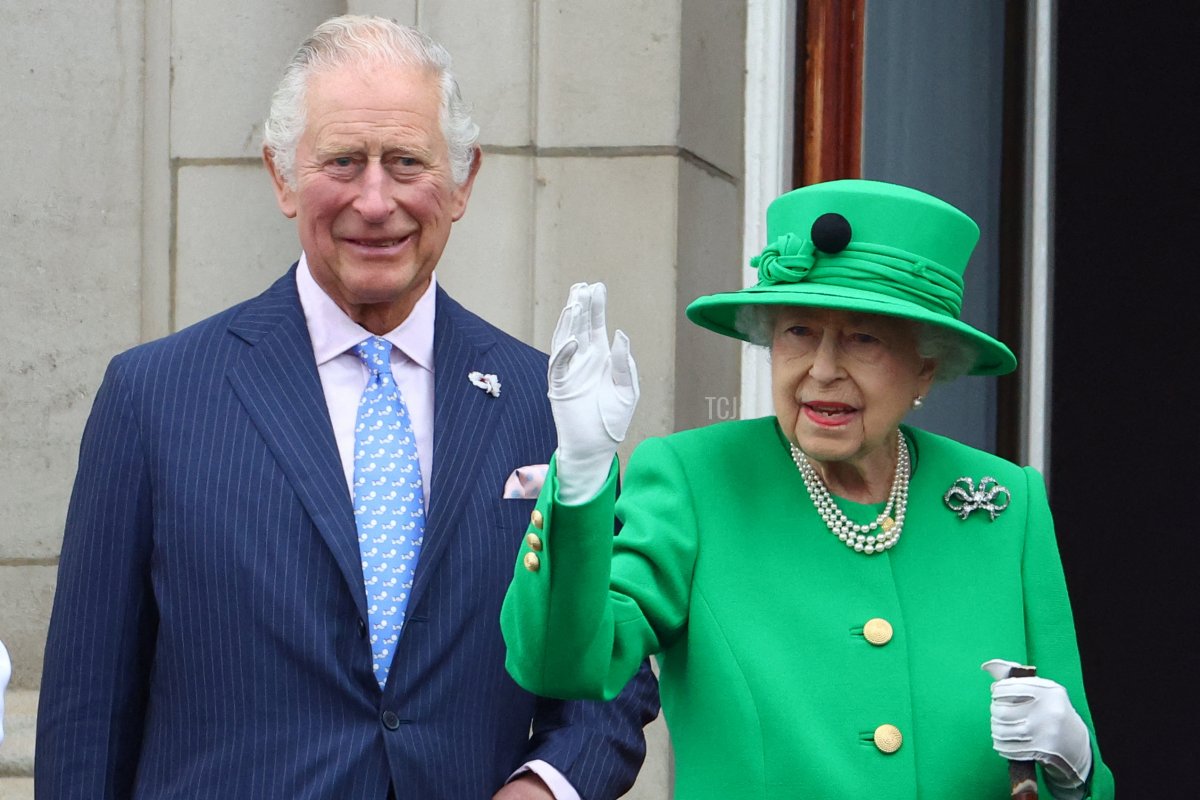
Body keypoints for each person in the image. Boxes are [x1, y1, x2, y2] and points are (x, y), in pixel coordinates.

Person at [36, 15, 657, 800]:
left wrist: (544, 787)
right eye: (342, 161)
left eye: (406, 162)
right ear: (282, 174)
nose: (375, 200)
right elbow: (87, 714)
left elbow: (610, 678)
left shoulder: (547, 407)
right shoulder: (153, 398)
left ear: (462, 182)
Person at [501, 179, 1114, 798]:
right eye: (798, 331)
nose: (822, 370)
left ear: (926, 365)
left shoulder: (1007, 504)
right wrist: (580, 476)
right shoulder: (697, 478)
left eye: (863, 338)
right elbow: (568, 661)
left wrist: (1075, 765)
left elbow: (1080, 778)